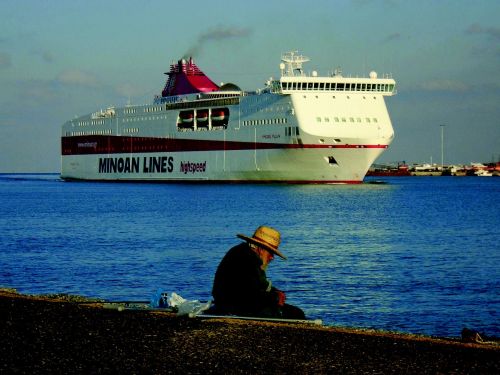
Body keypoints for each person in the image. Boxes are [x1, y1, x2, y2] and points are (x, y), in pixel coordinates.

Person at [211, 225, 305, 319]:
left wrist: (274, 292)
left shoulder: (242, 252)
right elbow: (250, 295)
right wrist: (276, 297)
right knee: (296, 314)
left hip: (231, 305)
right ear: (261, 248)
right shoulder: (247, 258)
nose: (272, 257)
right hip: (235, 308)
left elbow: (254, 286)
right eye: (271, 253)